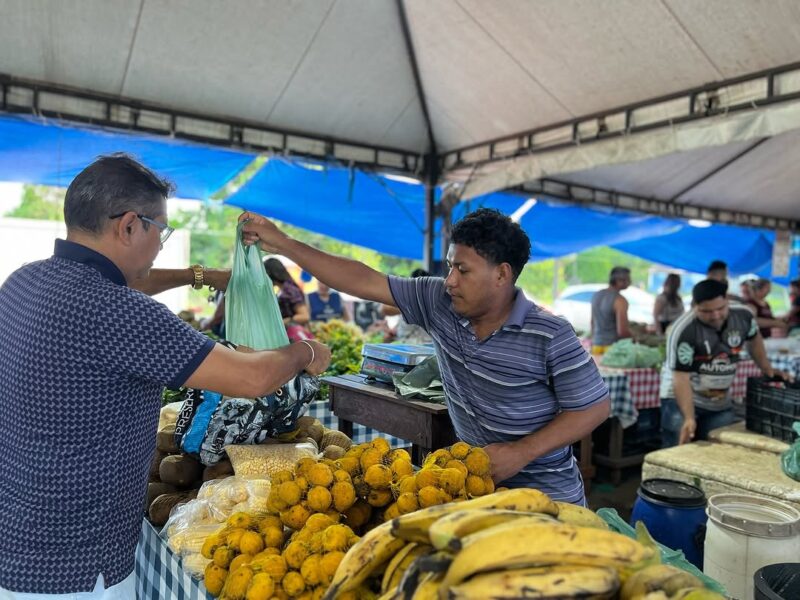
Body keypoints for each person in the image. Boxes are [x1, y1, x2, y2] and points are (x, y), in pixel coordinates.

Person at [0, 154, 331, 597]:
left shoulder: (24, 283)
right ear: (131, 226)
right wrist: (305, 350)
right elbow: (251, 380)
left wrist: (203, 275)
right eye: (162, 230)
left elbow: (123, 283)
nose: (160, 245)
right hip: (79, 570)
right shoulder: (123, 315)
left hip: (20, 542)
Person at [241, 208, 611, 505]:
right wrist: (285, 244)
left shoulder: (550, 333)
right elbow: (362, 279)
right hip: (473, 491)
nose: (449, 280)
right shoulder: (439, 302)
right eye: (450, 266)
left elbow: (594, 408)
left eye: (462, 270)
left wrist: (522, 451)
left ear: (501, 275)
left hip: (548, 498)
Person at [659, 279, 789, 447]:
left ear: (727, 301)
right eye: (706, 311)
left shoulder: (743, 316)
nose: (715, 316)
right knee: (676, 449)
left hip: (719, 400)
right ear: (694, 306)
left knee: (717, 450)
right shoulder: (683, 330)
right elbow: (680, 378)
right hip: (680, 398)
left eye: (720, 309)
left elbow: (754, 339)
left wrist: (766, 368)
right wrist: (689, 417)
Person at [263, 257, 312, 341]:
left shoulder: (289, 290)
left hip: (295, 336)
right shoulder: (283, 289)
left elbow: (304, 316)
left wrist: (283, 322)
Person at [382, 268, 433, 344]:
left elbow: (384, 309)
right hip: (408, 346)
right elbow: (384, 310)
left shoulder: (431, 304)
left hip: (420, 348)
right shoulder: (407, 303)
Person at [590, 266, 632, 355]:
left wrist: (594, 340)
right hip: (612, 348)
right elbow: (622, 331)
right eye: (628, 279)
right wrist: (635, 338)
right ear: (619, 280)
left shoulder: (596, 295)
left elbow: (592, 323)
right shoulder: (620, 300)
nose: (630, 282)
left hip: (596, 346)